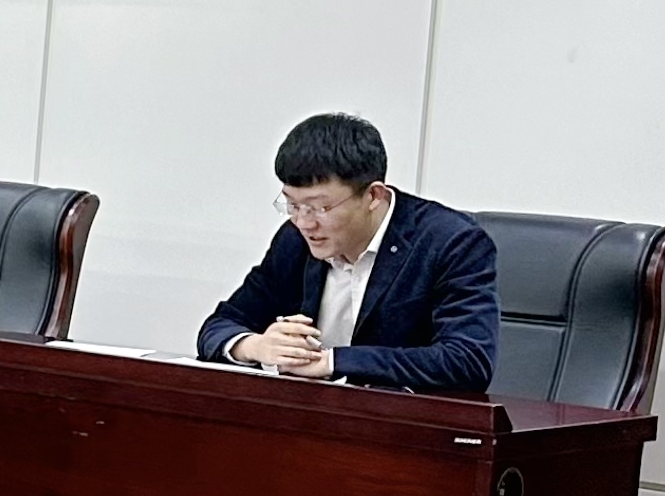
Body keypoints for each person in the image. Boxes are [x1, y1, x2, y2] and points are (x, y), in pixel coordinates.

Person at [197, 111, 500, 394]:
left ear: (373, 196)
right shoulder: (295, 239)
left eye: (320, 207)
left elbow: (468, 361)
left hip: (400, 423)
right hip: (309, 416)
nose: (304, 222)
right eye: (292, 204)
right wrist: (256, 346)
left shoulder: (450, 243)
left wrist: (333, 362)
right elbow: (219, 325)